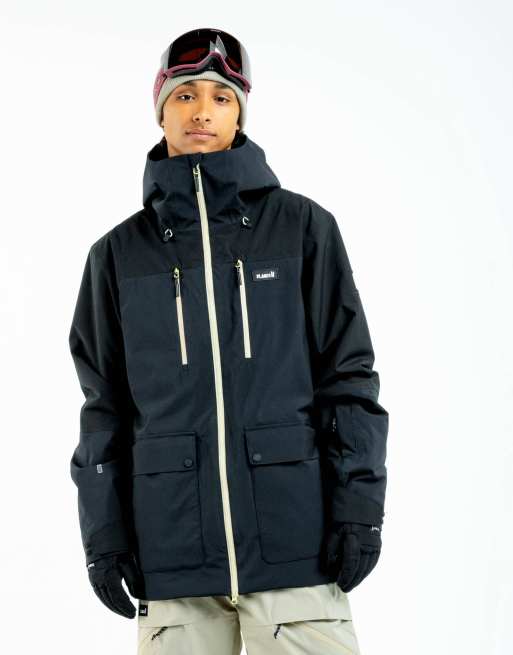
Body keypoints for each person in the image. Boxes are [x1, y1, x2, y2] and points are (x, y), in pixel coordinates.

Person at [68, 27, 388, 654]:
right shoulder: (117, 256)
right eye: (185, 95)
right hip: (174, 555)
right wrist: (104, 536)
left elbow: (348, 378)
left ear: (240, 113)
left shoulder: (302, 228)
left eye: (221, 97)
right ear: (161, 110)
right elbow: (103, 407)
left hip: (295, 548)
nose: (202, 111)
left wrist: (359, 507)